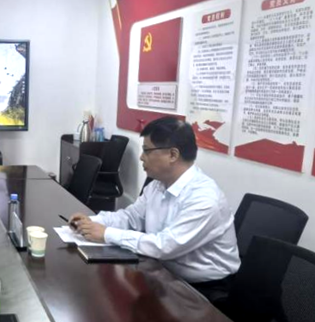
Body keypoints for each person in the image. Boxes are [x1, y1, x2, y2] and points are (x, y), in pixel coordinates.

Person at [70, 117, 239, 302]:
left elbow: (165, 246)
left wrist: (106, 234)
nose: (141, 157)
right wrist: (93, 221)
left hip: (204, 290)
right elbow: (131, 217)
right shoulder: (158, 185)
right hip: (163, 273)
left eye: (147, 150)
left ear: (173, 155)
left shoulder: (204, 199)